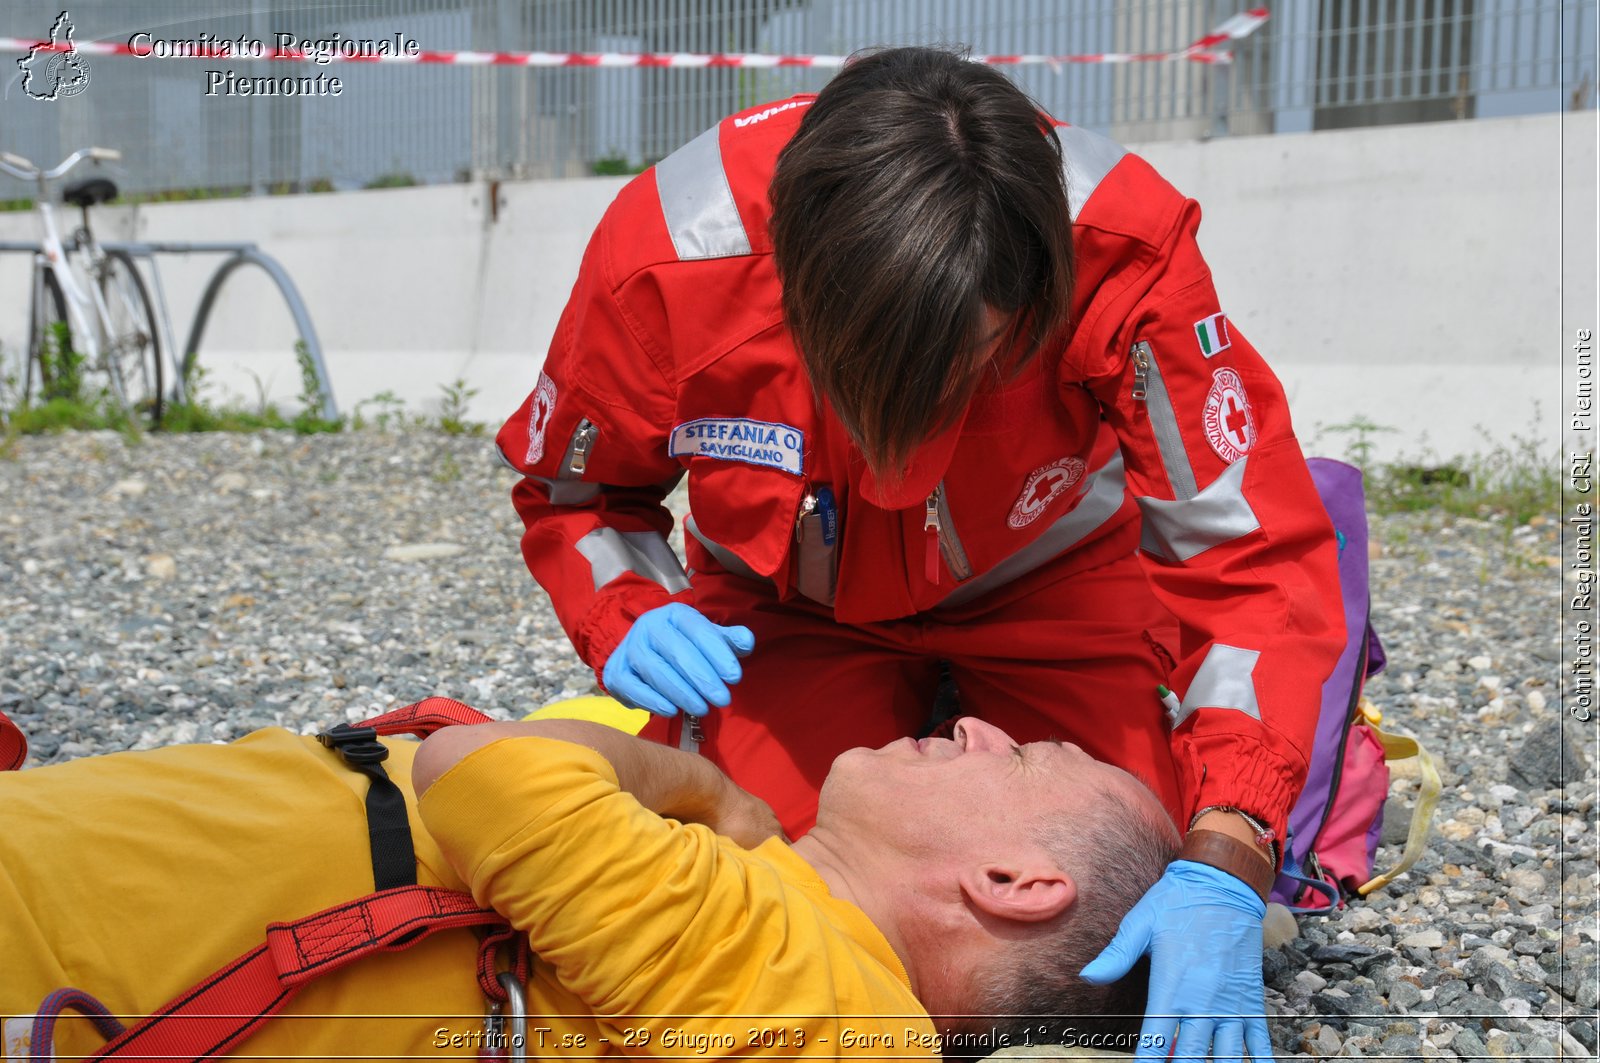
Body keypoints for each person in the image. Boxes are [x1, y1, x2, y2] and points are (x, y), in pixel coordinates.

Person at [495, 45, 1343, 1061]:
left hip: (1055, 582)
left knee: (1120, 900)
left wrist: (1232, 844)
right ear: (790, 283)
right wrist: (627, 609)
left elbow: (1247, 562)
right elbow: (576, 494)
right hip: (788, 605)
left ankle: (1334, 734)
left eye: (972, 369)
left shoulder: (1124, 250)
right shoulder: (670, 257)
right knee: (764, 869)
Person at [0, 705, 1177, 1061]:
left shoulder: (835, 1012)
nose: (973, 724)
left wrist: (703, 787)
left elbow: (487, 772)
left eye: (1019, 759)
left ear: (1013, 880)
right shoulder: (790, 927)